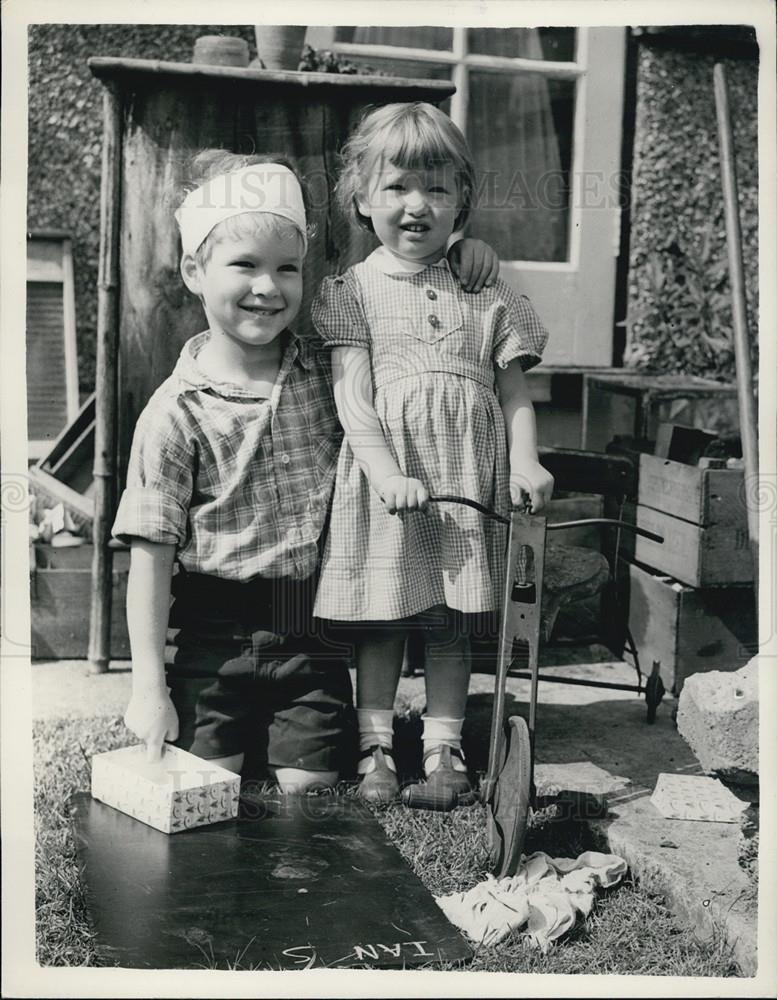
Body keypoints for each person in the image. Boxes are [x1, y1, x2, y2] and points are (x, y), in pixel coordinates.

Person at [113, 148, 501, 792]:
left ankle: (317, 743)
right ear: (193, 270)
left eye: (287, 269)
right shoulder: (172, 414)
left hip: (310, 634)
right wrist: (148, 688)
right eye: (245, 265)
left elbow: (403, 316)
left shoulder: (326, 371)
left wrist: (459, 254)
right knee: (206, 785)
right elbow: (150, 559)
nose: (268, 287)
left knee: (308, 789)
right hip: (212, 640)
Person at [311, 103, 554, 806]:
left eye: (437, 189)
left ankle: (443, 748)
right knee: (386, 618)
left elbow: (514, 392)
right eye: (396, 187)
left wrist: (524, 460)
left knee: (450, 621)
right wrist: (386, 474)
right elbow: (352, 396)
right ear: (360, 197)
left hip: (464, 483)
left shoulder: (486, 286)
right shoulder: (350, 290)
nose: (416, 205)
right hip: (391, 481)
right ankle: (377, 749)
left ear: (463, 201)